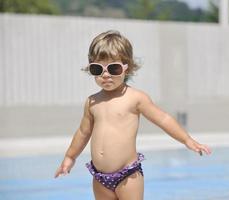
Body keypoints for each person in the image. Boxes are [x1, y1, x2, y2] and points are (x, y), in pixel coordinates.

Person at [54, 30, 212, 200]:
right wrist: (70, 157)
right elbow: (83, 133)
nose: (105, 74)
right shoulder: (92, 102)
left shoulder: (135, 98)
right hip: (99, 177)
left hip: (128, 176)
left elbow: (163, 119)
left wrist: (187, 140)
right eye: (97, 69)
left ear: (126, 67)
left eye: (113, 68)